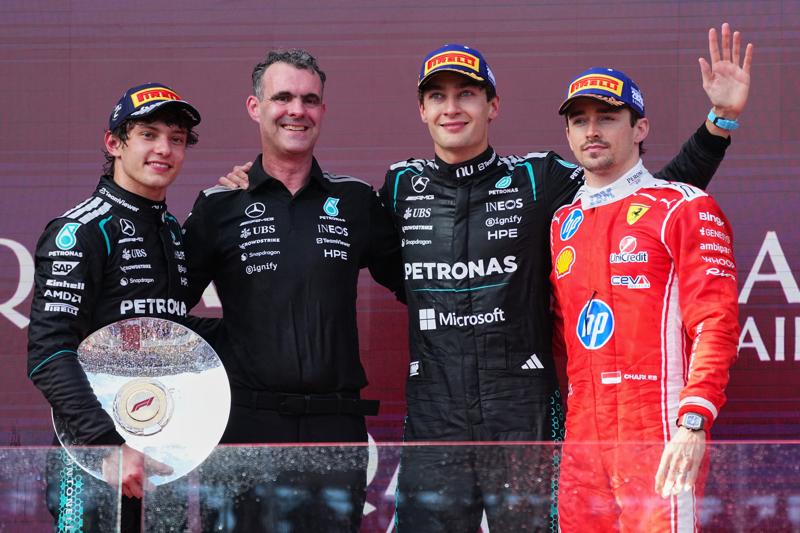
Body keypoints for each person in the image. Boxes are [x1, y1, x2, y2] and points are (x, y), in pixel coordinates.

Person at [379, 24, 750, 532]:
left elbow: (641, 197)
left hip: (531, 409)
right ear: (422, 109)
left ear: (493, 105)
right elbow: (367, 258)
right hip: (443, 410)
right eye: (438, 96)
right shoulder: (401, 184)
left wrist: (718, 125)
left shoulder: (539, 178)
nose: (452, 108)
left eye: (466, 93)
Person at [181, 49, 403, 532]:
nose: (296, 110)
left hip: (336, 428)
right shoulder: (220, 205)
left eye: (309, 100)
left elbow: (419, 284)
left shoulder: (355, 200)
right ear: (255, 107)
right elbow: (165, 311)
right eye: (282, 97)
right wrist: (233, 339)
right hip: (245, 426)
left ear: (323, 109)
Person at [550, 60, 744, 530]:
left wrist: (693, 422)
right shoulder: (561, 223)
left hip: (658, 430)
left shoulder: (683, 206)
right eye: (580, 121)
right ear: (569, 134)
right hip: (583, 441)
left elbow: (715, 323)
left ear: (640, 129)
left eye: (607, 118)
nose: (592, 131)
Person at [27, 83, 203, 531]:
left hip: (160, 454)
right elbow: (49, 353)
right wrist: (107, 445)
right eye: (148, 134)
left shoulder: (171, 230)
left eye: (177, 138)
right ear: (114, 143)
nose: (164, 149)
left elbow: (169, 332)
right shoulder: (81, 230)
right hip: (93, 460)